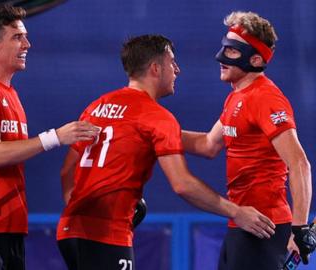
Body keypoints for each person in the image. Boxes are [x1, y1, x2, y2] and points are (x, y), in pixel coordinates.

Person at [56, 34, 277, 270]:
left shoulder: (97, 106)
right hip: (106, 234)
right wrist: (237, 212)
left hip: (69, 230)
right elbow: (182, 184)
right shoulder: (157, 117)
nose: (177, 70)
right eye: (172, 63)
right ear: (155, 69)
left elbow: (66, 170)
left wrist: (79, 208)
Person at [0, 4, 99, 270]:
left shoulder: (10, 94)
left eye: (24, 36)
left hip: (9, 225)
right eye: (17, 37)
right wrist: (55, 137)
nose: (27, 43)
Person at [181, 11, 313, 269]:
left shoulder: (266, 98)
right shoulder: (236, 96)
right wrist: (155, 131)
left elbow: (299, 164)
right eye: (224, 47)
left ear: (254, 59)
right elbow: (208, 144)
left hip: (264, 228)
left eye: (232, 51)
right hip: (241, 222)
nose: (220, 57)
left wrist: (300, 229)